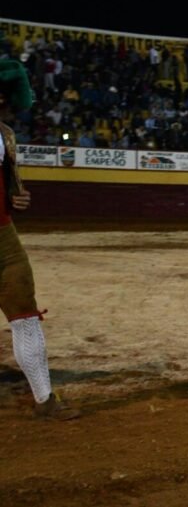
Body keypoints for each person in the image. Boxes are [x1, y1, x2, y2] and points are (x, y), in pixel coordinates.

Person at [0, 60, 80, 420]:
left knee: (25, 315)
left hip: (4, 237)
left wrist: (18, 198)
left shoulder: (5, 136)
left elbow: (12, 189)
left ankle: (45, 400)